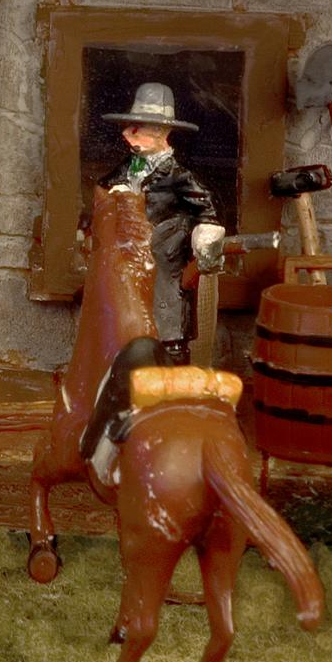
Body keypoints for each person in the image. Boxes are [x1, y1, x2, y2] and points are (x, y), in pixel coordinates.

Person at [78, 81, 227, 480]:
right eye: (128, 127)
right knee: (124, 344)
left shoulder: (178, 177)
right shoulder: (125, 169)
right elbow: (99, 199)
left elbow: (207, 212)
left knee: (166, 347)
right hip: (128, 274)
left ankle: (168, 426)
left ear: (162, 133)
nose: (128, 135)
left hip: (164, 272)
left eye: (138, 128)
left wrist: (204, 237)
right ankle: (118, 418)